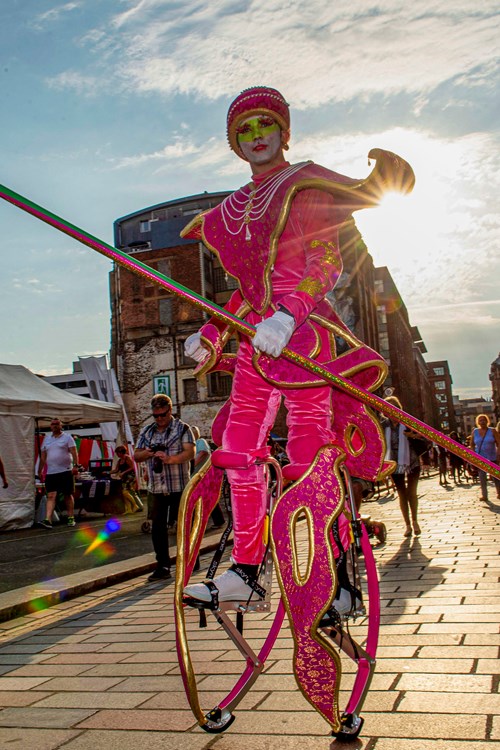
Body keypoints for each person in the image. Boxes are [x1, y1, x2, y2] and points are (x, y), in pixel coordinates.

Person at [181, 86, 399, 605]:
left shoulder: (305, 186)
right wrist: (213, 331)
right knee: (237, 452)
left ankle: (337, 575)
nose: (257, 137)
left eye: (264, 125)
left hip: (303, 338)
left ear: (283, 130)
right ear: (236, 143)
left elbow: (325, 263)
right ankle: (248, 571)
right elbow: (245, 292)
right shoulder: (232, 209)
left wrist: (288, 312)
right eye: (245, 131)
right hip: (258, 343)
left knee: (308, 454)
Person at [134, 394, 195, 581]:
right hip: (157, 488)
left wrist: (171, 459)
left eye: (162, 414)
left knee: (184, 526)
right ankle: (163, 565)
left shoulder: (182, 428)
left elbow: (190, 452)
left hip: (179, 484)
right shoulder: (147, 431)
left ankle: (190, 559)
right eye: (156, 415)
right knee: (157, 528)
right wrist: (149, 452)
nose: (159, 419)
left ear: (170, 410)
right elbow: (136, 456)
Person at [382, 396, 428, 537]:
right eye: (388, 409)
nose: (391, 412)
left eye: (393, 408)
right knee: (402, 494)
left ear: (398, 408)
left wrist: (413, 435)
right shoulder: (383, 425)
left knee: (412, 493)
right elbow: (380, 444)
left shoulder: (409, 422)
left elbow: (424, 437)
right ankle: (407, 525)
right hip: (394, 463)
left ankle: (415, 521)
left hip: (412, 461)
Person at [37, 418, 79, 529]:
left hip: (65, 470)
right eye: (52, 424)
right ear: (50, 426)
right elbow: (43, 456)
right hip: (51, 472)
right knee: (51, 495)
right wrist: (40, 470)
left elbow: (74, 452)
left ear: (61, 426)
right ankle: (48, 520)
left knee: (67, 494)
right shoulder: (47, 439)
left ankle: (70, 517)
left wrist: (76, 466)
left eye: (57, 424)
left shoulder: (67, 437)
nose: (54, 426)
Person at [191, 426, 225, 529]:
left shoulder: (200, 442)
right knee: (201, 499)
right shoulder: (191, 445)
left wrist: (191, 466)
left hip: (204, 476)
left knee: (207, 498)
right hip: (196, 477)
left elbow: (203, 453)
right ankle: (196, 523)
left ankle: (218, 521)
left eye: (192, 433)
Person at [470, 414, 500, 501]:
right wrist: (473, 454)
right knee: (482, 477)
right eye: (480, 420)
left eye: (484, 420)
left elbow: (499, 443)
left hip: (492, 456)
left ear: (487, 421)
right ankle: (484, 495)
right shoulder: (475, 432)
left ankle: (499, 492)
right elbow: (472, 444)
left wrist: (498, 454)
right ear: (478, 422)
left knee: (496, 477)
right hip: (480, 458)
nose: (482, 422)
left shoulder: (493, 431)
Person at [111, 445, 143, 514]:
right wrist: (108, 472)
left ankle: (135, 505)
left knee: (124, 492)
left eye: (118, 453)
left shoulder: (127, 458)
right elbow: (116, 470)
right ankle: (129, 509)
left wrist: (123, 472)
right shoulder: (119, 460)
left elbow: (132, 467)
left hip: (130, 476)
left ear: (121, 452)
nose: (117, 454)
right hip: (124, 477)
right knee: (124, 494)